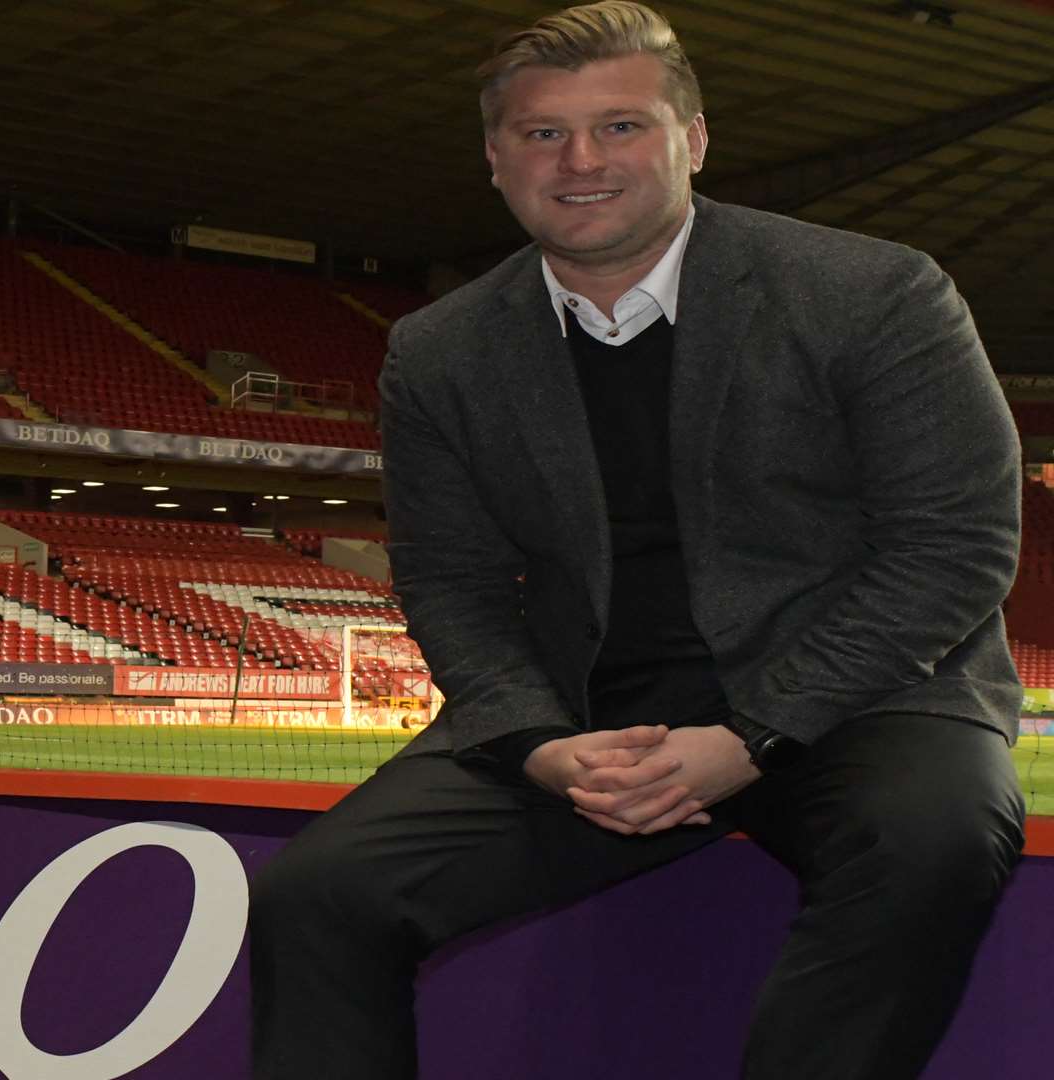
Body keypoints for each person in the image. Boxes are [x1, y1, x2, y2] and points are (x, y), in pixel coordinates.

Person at [248, 3, 1027, 1078]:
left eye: (621, 126)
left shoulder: (874, 292)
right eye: (541, 133)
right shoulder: (439, 351)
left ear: (692, 141)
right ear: (495, 157)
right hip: (592, 724)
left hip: (856, 704)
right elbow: (452, 583)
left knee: (932, 845)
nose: (580, 160)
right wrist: (536, 742)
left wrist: (752, 733)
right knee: (319, 892)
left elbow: (955, 550)